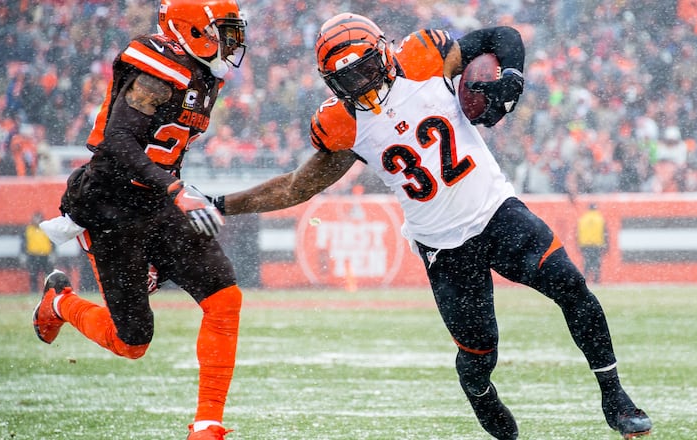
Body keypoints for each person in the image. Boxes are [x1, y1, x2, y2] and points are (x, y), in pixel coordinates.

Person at [215, 13, 652, 440]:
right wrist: (221, 205)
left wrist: (512, 77)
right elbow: (295, 187)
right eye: (348, 79)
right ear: (331, 83)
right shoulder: (343, 124)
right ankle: (478, 391)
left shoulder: (424, 57)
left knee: (572, 287)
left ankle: (615, 398)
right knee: (480, 352)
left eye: (366, 69)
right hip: (444, 248)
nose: (363, 84)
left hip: (496, 211)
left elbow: (504, 35)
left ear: (383, 51)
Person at [32, 1, 247, 439]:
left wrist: (173, 190)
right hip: (109, 203)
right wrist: (173, 188)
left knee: (224, 297)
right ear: (193, 29)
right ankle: (60, 302)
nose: (232, 41)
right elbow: (118, 140)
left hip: (156, 201)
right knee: (132, 342)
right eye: (223, 30)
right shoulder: (158, 64)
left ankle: (208, 422)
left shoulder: (205, 75)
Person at [19, 211, 55, 292]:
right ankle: (34, 291)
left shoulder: (46, 229)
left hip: (45, 255)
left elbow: (52, 242)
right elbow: (23, 243)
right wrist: (23, 255)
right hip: (32, 255)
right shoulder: (28, 229)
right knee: (33, 275)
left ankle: (50, 291)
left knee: (48, 275)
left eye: (38, 218)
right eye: (35, 218)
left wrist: (53, 254)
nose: (37, 220)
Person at [577, 203, 608, 284]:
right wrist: (606, 245)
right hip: (597, 244)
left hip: (585, 245)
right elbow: (605, 232)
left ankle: (585, 279)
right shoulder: (600, 219)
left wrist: (579, 244)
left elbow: (578, 232)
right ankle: (596, 280)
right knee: (596, 263)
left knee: (586, 263)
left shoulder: (583, 219)